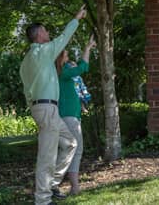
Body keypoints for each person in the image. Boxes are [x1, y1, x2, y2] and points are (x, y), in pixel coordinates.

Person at [19, 5, 87, 205]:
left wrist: (34, 107)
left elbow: (26, 88)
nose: (49, 34)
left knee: (71, 143)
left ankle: (52, 184)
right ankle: (43, 200)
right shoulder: (43, 52)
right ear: (39, 34)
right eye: (46, 31)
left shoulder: (26, 62)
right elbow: (64, 37)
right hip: (47, 109)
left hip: (44, 109)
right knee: (47, 156)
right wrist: (77, 18)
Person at [56, 34, 96, 195]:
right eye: (65, 54)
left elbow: (81, 68)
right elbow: (82, 68)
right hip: (69, 117)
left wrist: (87, 49)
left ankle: (69, 186)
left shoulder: (63, 71)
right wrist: (87, 48)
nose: (67, 55)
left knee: (69, 150)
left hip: (70, 116)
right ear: (60, 57)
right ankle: (66, 186)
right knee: (74, 150)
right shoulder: (63, 72)